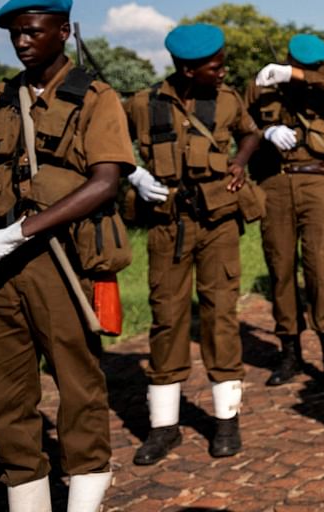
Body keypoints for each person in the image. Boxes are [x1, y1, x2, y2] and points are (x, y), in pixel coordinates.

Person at [0, 0, 134, 512]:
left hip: (61, 262)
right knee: (2, 396)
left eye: (33, 31)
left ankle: (84, 498)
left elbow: (105, 182)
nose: (22, 42)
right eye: (14, 34)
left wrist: (16, 234)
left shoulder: (95, 98)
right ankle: (27, 499)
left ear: (63, 32)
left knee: (78, 387)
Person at [124, 23, 261, 464]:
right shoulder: (143, 105)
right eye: (214, 66)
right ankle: (164, 427)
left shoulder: (227, 99)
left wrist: (240, 162)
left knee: (220, 314)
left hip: (219, 220)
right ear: (186, 68)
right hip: (168, 225)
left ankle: (226, 421)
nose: (223, 72)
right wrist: (135, 175)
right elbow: (111, 145)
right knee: (166, 317)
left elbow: (251, 133)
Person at [246, 34, 324, 390]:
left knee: (322, 268)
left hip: (315, 181)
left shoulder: (321, 80)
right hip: (274, 183)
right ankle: (289, 352)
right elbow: (241, 125)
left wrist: (293, 75)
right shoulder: (259, 85)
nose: (314, 70)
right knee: (281, 268)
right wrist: (266, 132)